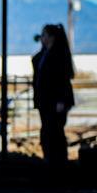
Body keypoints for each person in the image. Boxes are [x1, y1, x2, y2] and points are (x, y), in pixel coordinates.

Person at [31, 24, 75, 167]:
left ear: (51, 37)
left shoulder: (58, 55)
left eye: (44, 35)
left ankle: (58, 162)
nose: (42, 38)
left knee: (54, 131)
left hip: (54, 101)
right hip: (46, 100)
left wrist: (61, 99)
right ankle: (51, 161)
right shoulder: (46, 54)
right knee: (49, 131)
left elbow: (62, 79)